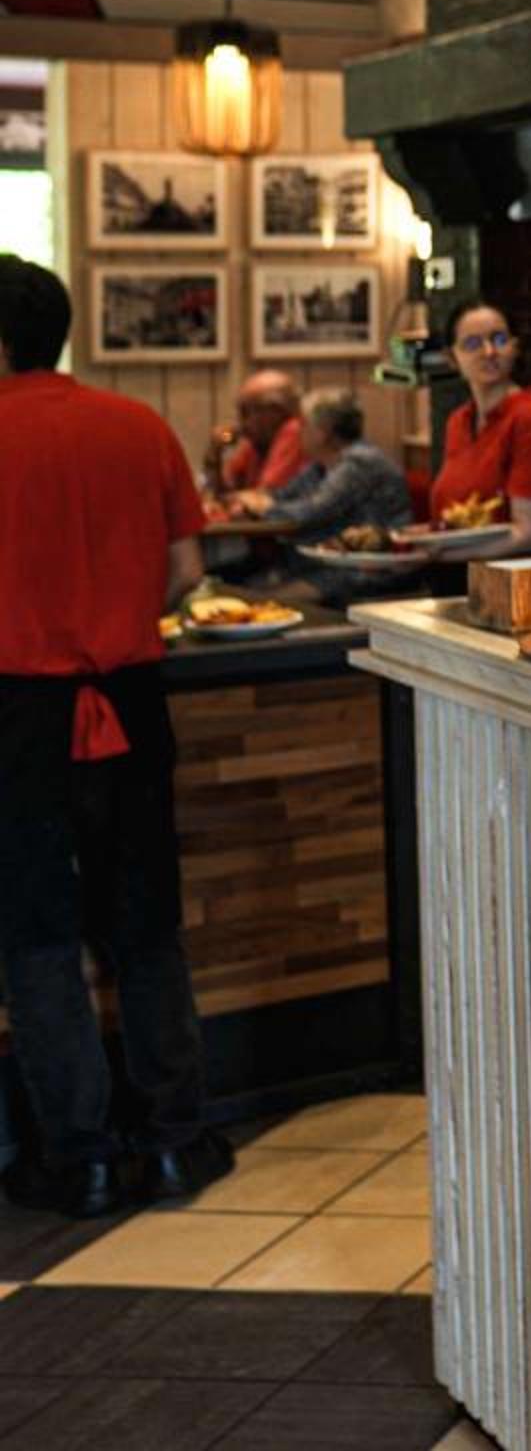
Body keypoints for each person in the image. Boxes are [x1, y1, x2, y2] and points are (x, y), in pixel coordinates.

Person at [0, 255, 230, 1215]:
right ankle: (175, 1140)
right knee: (145, 922)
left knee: (39, 937)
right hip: (131, 704)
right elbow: (187, 571)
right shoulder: (140, 425)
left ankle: (82, 1156)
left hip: (18, 717)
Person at [427, 298, 531, 558]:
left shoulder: (530, 416)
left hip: (510, 573)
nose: (489, 351)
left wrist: (437, 557)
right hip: (458, 571)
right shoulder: (457, 421)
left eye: (499, 339)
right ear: (452, 357)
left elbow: (527, 534)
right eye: (472, 343)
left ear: (515, 347)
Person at [238, 387, 413, 545]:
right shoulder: (321, 464)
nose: (298, 432)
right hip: (325, 557)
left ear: (323, 432)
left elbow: (310, 514)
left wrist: (264, 508)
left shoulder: (360, 463)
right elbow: (282, 495)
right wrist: (257, 502)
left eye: (304, 426)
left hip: (363, 564)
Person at [205, 368, 304, 497]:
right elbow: (222, 493)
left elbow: (263, 498)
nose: (242, 423)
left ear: (275, 411)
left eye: (246, 412)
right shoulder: (257, 443)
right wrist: (214, 454)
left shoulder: (294, 431)